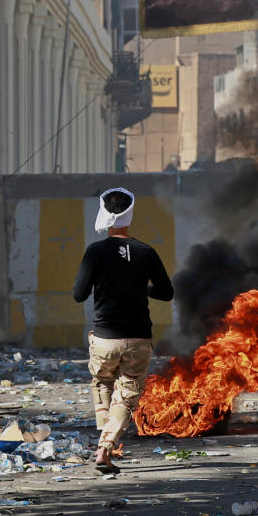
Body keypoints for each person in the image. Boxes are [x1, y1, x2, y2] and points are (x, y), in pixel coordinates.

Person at [73, 187, 174, 473]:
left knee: (102, 382)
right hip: (139, 339)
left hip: (105, 339)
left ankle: (106, 441)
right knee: (127, 396)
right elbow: (167, 292)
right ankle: (106, 447)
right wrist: (143, 287)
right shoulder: (146, 252)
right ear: (130, 214)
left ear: (104, 213)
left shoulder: (94, 251)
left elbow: (79, 294)